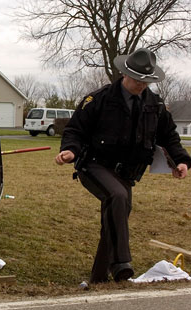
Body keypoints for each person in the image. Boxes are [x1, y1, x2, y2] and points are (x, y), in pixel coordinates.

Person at [55, 48, 191, 283]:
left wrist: (181, 161)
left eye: (146, 81)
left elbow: (169, 137)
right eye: (138, 79)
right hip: (94, 165)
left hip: (127, 173)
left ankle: (99, 279)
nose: (141, 85)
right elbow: (75, 130)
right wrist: (69, 151)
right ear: (124, 73)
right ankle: (121, 263)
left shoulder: (155, 104)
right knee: (117, 198)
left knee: (116, 217)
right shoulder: (99, 99)